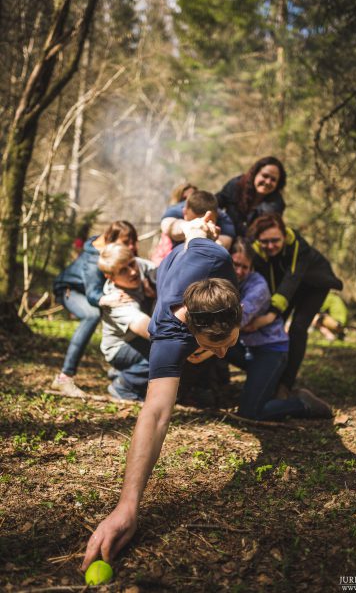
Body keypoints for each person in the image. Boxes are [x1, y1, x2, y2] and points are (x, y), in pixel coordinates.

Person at [82, 213, 241, 569]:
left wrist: (202, 226)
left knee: (199, 231)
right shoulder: (168, 332)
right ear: (188, 329)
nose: (221, 352)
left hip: (202, 249)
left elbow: (196, 233)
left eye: (227, 342)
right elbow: (154, 415)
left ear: (238, 310)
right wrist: (127, 506)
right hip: (175, 275)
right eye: (210, 345)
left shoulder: (218, 258)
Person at [226, 238, 331, 419]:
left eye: (245, 267)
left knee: (250, 412)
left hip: (269, 351)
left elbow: (237, 321)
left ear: (251, 267)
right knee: (207, 343)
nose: (239, 271)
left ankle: (300, 403)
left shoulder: (258, 287)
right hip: (246, 348)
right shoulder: (226, 279)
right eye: (235, 264)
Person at [246, 213, 343, 398]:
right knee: (277, 325)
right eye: (265, 241)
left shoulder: (299, 246)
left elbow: (292, 278)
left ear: (284, 235)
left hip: (314, 284)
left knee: (298, 328)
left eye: (275, 240)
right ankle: (270, 376)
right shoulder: (257, 252)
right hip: (290, 288)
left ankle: (285, 384)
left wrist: (270, 315)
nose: (270, 246)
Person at [52, 221, 138, 397]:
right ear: (111, 240)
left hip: (88, 290)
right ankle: (64, 378)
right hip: (70, 289)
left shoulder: (113, 253)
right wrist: (107, 298)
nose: (131, 246)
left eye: (133, 242)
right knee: (92, 314)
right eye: (126, 242)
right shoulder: (94, 259)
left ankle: (120, 368)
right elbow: (92, 295)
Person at [98, 243, 157, 400]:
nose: (133, 271)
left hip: (137, 340)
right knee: (163, 355)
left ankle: (127, 372)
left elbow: (162, 272)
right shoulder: (118, 300)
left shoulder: (139, 265)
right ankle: (124, 386)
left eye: (132, 264)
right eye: (123, 270)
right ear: (110, 277)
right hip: (119, 348)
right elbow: (148, 329)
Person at [216, 156, 286, 237]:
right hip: (224, 234)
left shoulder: (276, 205)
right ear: (255, 173)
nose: (268, 182)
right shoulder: (236, 185)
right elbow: (215, 204)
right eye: (265, 176)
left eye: (273, 180)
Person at [160, 188, 235, 252]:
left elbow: (224, 245)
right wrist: (189, 227)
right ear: (184, 212)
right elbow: (168, 226)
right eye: (194, 220)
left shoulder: (224, 220)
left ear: (216, 215)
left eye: (207, 221)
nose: (202, 225)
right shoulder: (175, 211)